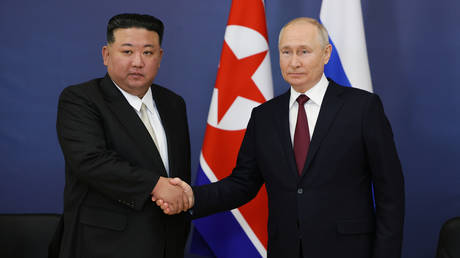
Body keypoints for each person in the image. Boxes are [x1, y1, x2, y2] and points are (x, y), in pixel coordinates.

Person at [158, 17, 405, 258]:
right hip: (285, 248)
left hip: (348, 249)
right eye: (286, 52)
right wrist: (192, 196)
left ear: (326, 54)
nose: (294, 62)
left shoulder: (362, 108)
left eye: (304, 52)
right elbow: (243, 183)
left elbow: (390, 192)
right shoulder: (264, 116)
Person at [51, 13, 192, 258]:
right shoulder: (81, 99)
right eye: (127, 52)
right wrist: (155, 185)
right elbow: (90, 161)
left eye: (148, 52)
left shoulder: (173, 103)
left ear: (159, 57)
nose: (138, 62)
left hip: (168, 242)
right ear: (106, 55)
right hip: (105, 245)